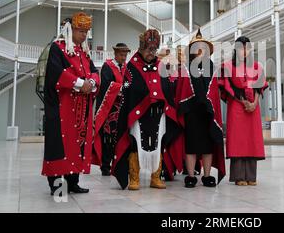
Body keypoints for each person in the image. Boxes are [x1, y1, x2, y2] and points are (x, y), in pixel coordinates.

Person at [111, 29, 188, 190]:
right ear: (141, 48)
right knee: (135, 143)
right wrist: (146, 97)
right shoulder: (132, 66)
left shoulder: (160, 66)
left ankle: (155, 177)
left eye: (153, 50)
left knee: (158, 143)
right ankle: (134, 178)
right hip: (138, 114)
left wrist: (162, 98)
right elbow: (129, 89)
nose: (151, 53)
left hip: (158, 114)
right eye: (148, 50)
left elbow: (166, 87)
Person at [41, 12, 100, 195]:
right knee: (59, 144)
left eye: (86, 31)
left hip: (80, 110)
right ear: (71, 29)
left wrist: (92, 83)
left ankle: (73, 181)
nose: (84, 35)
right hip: (62, 108)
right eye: (81, 30)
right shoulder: (57, 48)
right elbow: (56, 74)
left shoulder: (83, 52)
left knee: (78, 144)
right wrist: (81, 84)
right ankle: (57, 184)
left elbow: (93, 71)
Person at [179, 28, 226, 188]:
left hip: (207, 112)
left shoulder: (212, 67)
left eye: (202, 47)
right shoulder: (186, 67)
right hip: (191, 112)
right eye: (196, 46)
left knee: (207, 145)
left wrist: (207, 102)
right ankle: (191, 176)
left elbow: (214, 88)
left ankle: (207, 176)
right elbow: (182, 88)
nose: (200, 49)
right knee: (191, 145)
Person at [219, 36, 268, 186]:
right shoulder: (228, 66)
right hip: (237, 107)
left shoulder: (257, 67)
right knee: (238, 139)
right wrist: (244, 102)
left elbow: (260, 86)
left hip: (253, 107)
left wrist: (254, 103)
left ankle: (251, 176)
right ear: (236, 49)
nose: (244, 51)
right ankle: (239, 176)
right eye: (241, 48)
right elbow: (227, 87)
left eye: (247, 48)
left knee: (252, 139)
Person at [93, 43, 131, 176]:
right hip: (110, 110)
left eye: (125, 55)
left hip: (123, 109)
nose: (123, 58)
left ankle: (119, 164)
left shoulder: (127, 68)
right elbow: (106, 85)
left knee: (121, 137)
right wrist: (121, 88)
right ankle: (105, 165)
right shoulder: (107, 67)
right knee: (108, 138)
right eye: (121, 55)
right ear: (115, 54)